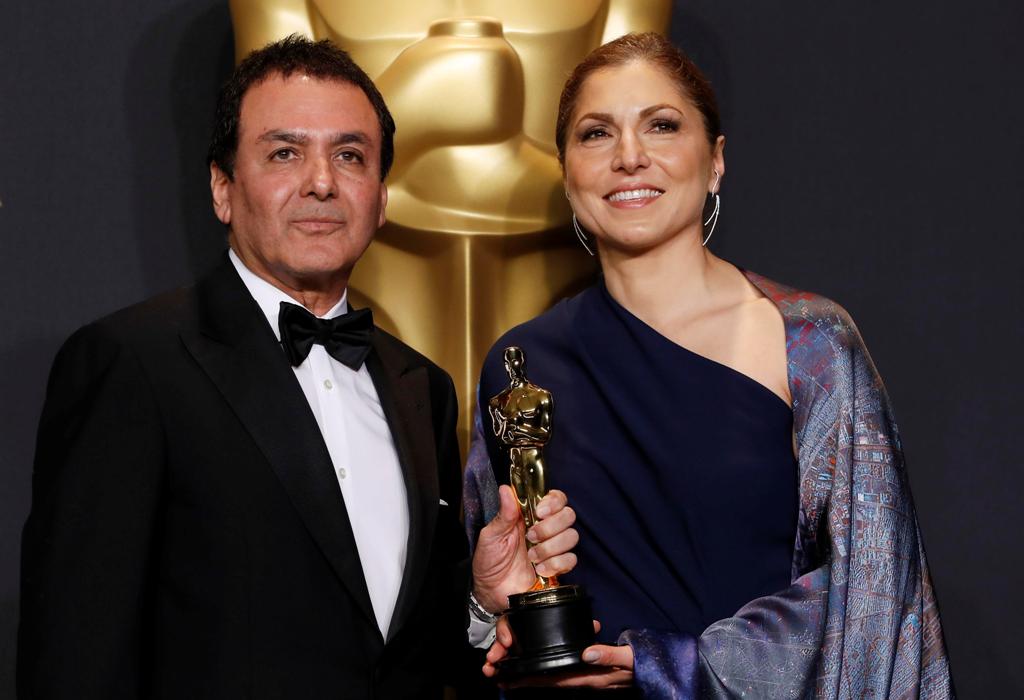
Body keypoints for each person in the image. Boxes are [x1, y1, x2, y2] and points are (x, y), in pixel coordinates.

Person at [18, 36, 574, 699]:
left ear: (381, 198)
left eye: (350, 156)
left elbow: (405, 649)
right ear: (222, 189)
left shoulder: (422, 387)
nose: (321, 181)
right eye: (285, 153)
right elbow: (76, 654)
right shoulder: (132, 362)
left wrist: (481, 602)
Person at [464, 33, 954, 698]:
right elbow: (489, 625)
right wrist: (493, 609)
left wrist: (676, 664)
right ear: (565, 169)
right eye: (596, 134)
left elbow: (872, 595)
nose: (629, 157)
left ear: (715, 160)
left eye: (661, 126)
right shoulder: (520, 368)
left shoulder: (808, 343)